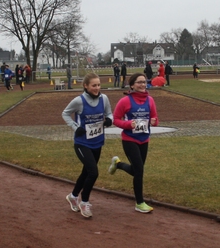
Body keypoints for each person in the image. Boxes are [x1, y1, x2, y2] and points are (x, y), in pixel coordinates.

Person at [61, 73, 113, 219]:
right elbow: (65, 113)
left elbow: (109, 114)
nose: (97, 88)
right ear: (86, 86)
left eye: (98, 85)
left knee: (86, 172)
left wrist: (109, 120)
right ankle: (84, 202)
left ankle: (73, 196)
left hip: (97, 141)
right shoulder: (79, 101)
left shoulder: (104, 98)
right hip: (82, 143)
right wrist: (75, 127)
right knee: (93, 172)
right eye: (93, 85)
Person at [108, 72, 158, 213]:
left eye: (144, 82)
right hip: (130, 139)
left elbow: (155, 118)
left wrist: (154, 122)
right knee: (139, 170)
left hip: (144, 139)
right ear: (132, 85)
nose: (143, 84)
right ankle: (139, 203)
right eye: (139, 82)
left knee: (137, 170)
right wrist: (128, 124)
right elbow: (116, 119)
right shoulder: (125, 101)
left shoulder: (150, 100)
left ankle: (118, 164)